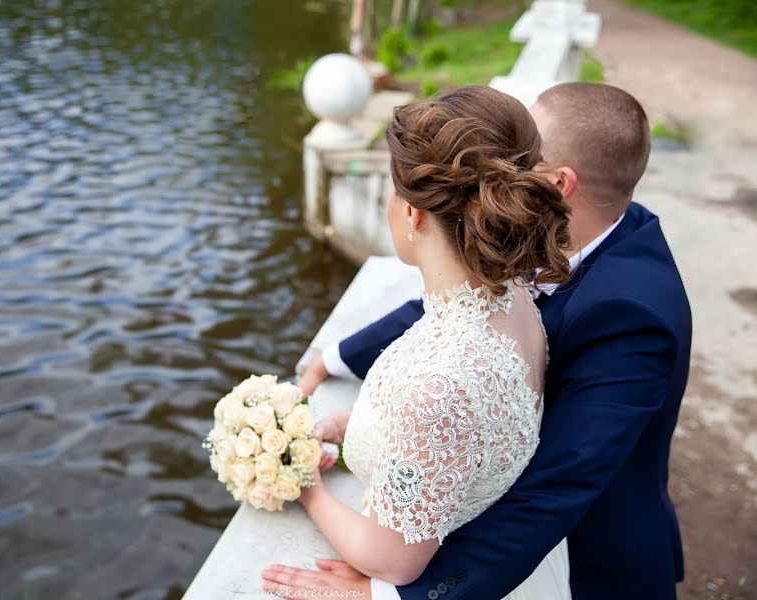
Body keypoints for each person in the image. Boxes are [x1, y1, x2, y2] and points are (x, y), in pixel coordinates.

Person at [262, 82, 691, 600]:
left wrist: (389, 594)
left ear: (558, 182)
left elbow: (559, 481)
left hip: (590, 560)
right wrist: (339, 365)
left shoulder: (633, 314)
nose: (502, 171)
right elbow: (454, 304)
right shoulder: (529, 253)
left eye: (523, 158)